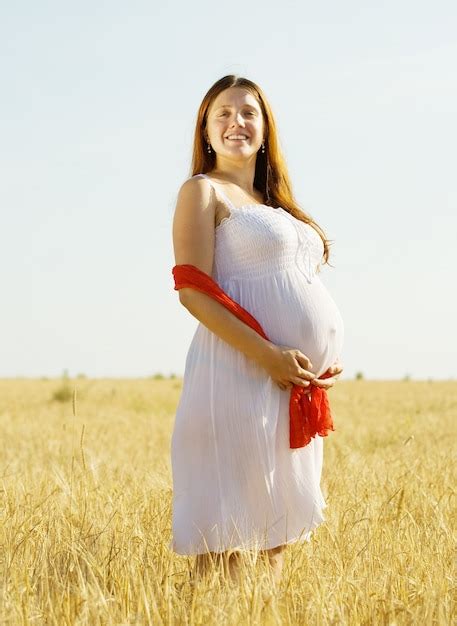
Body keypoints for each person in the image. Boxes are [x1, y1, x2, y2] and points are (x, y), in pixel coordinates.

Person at [170, 74, 344, 585]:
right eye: (222, 113)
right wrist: (268, 354)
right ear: (205, 130)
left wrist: (320, 350)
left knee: (273, 532)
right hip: (236, 374)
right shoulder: (202, 191)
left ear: (265, 129)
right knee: (228, 529)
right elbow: (192, 290)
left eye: (248, 112)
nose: (235, 122)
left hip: (291, 388)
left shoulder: (276, 206)